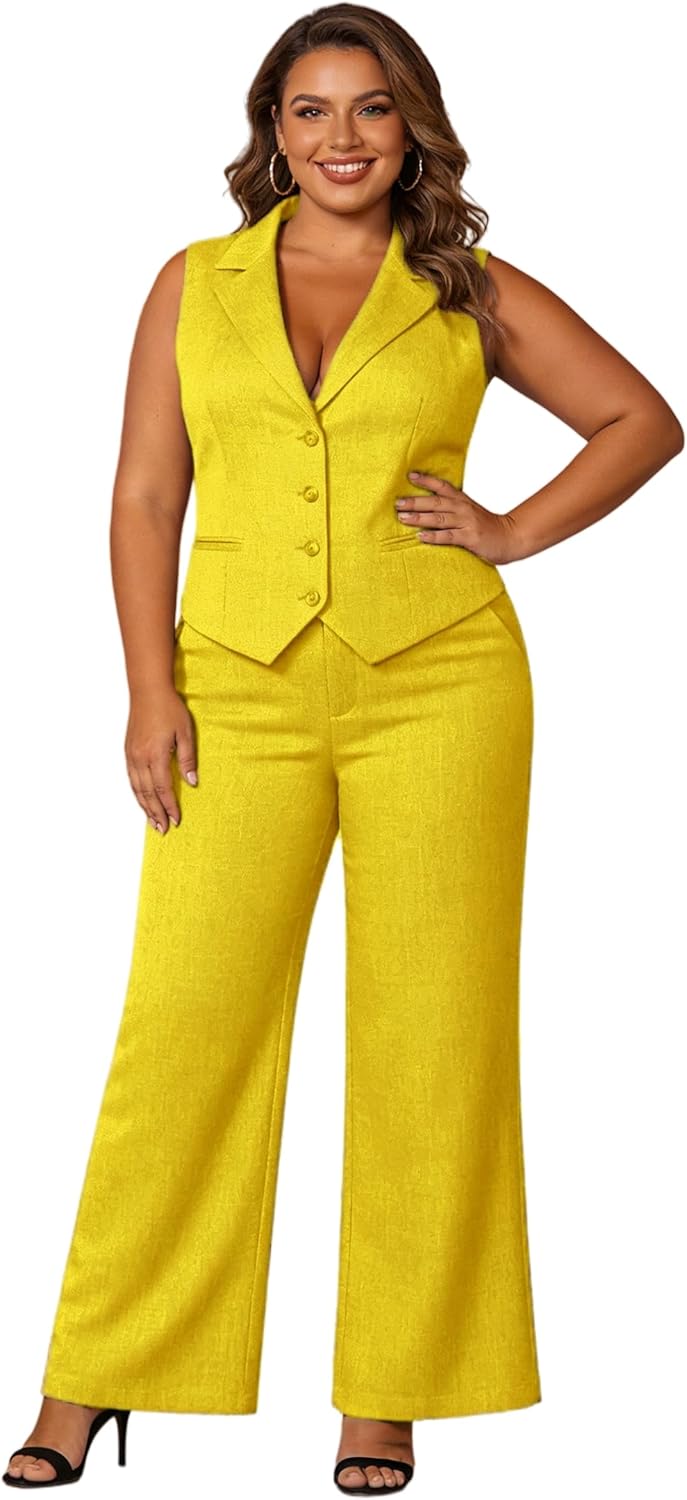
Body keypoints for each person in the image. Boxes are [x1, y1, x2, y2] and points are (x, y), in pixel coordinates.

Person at [4, 3, 683, 1494]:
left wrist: (511, 531)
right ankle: (94, 1373)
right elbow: (144, 496)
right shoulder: (195, 283)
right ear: (272, 132)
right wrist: (148, 690)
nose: (341, 138)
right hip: (231, 690)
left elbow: (642, 419)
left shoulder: (465, 288)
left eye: (370, 109)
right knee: (183, 1025)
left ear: (411, 127)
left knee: (435, 1035)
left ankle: (391, 1393)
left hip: (441, 682)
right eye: (309, 111)